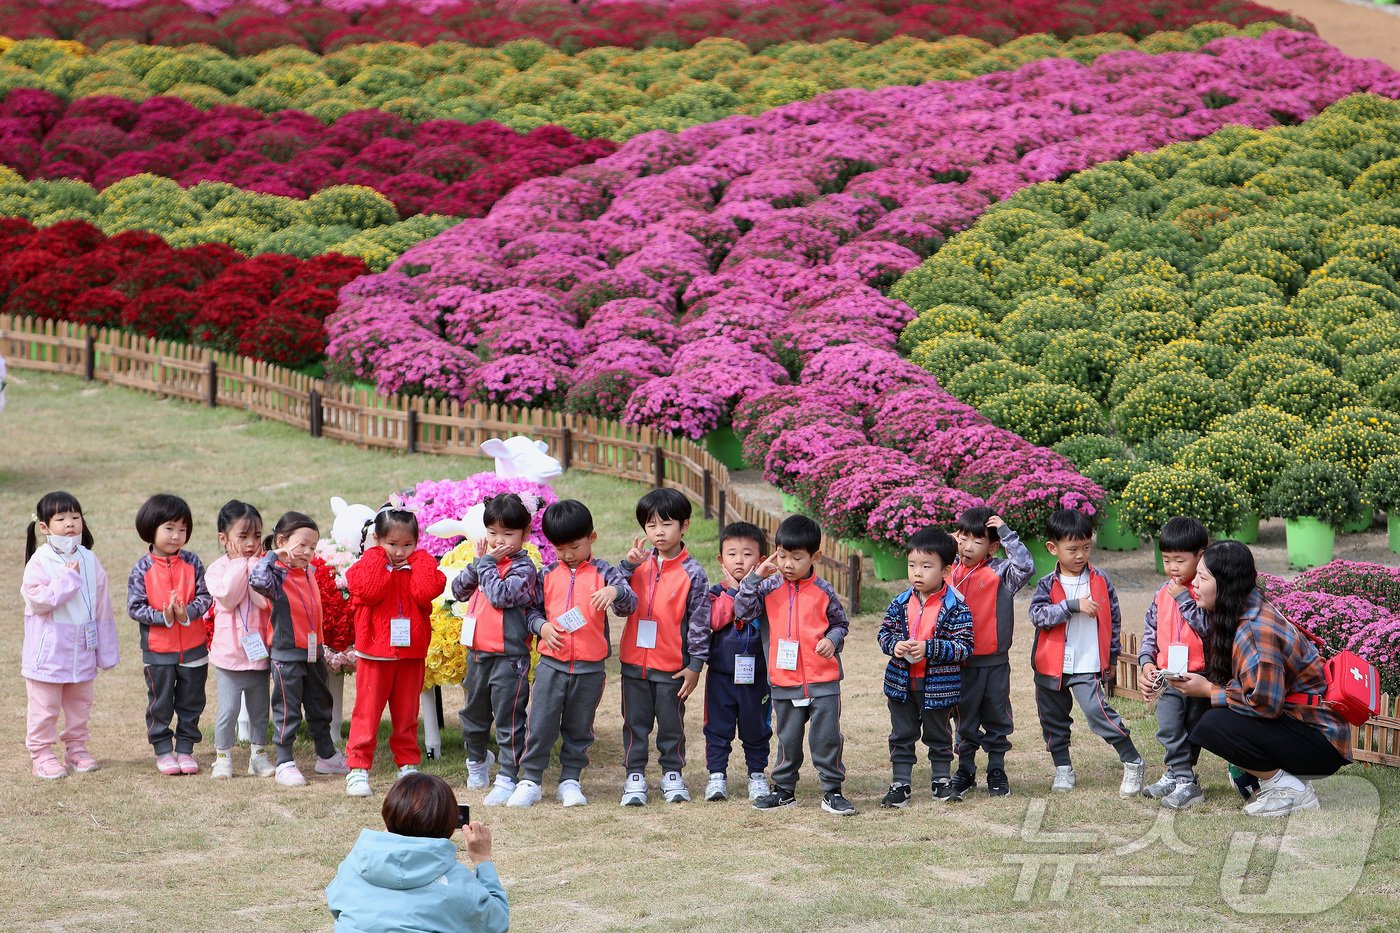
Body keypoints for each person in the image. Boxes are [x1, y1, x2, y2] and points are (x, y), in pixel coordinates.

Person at [1173, 541, 1351, 816]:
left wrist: (1209, 690)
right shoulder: (1246, 608)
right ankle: (1272, 780)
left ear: (1226, 584)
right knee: (1216, 712)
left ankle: (1289, 790)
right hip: (1305, 728)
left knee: (1212, 723)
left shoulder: (1255, 632)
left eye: (1202, 577)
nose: (1193, 583)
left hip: (1321, 743)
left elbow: (1265, 705)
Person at [511, 500, 636, 808]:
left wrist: (615, 591)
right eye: (560, 548)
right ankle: (531, 780)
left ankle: (570, 780)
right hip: (552, 664)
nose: (567, 555)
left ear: (591, 538)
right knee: (539, 722)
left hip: (590, 668)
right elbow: (531, 611)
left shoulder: (605, 572)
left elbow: (629, 602)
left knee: (579, 727)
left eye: (574, 547)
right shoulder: (546, 574)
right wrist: (541, 627)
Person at [735, 515, 854, 815]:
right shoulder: (767, 587)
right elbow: (742, 610)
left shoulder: (824, 591)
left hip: (823, 681)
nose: (788, 564)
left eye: (796, 558)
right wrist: (753, 578)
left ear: (815, 556)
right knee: (787, 738)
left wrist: (833, 639)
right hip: (783, 680)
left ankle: (832, 791)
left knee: (826, 738)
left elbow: (840, 623)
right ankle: (784, 790)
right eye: (782, 555)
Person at [1028, 509, 1144, 796]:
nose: (1080, 555)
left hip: (1087, 664)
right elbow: (1037, 616)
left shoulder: (1101, 580)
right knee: (1053, 720)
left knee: (1098, 713)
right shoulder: (1046, 583)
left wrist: (1113, 658)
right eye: (1072, 549)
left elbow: (1113, 620)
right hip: (1050, 665)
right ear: (1053, 548)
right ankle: (1063, 768)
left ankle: (1132, 760)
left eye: (1086, 547)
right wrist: (1071, 606)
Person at [343, 505, 447, 797]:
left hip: (411, 654)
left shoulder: (420, 564)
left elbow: (426, 592)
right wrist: (379, 557)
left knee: (406, 714)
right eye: (392, 544)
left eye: (407, 545)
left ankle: (407, 764)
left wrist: (419, 562)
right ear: (377, 539)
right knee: (367, 712)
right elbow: (371, 590)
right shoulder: (367, 564)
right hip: (375, 654)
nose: (400, 552)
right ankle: (358, 767)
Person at [617, 488, 710, 805]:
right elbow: (618, 606)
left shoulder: (693, 573)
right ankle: (635, 776)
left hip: (672, 667)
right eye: (651, 524)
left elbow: (700, 622)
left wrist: (695, 665)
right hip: (633, 663)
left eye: (666, 524)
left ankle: (673, 773)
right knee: (634, 723)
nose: (658, 531)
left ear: (684, 526)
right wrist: (627, 569)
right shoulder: (637, 565)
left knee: (672, 724)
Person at [326, 772, 509, 933]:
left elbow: (337, 908)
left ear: (388, 813)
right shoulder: (455, 884)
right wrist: (482, 859)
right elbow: (497, 923)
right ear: (448, 825)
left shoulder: (353, 865)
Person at [22, 492, 118, 779]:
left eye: (75, 517)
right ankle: (41, 754)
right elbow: (38, 601)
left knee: (80, 704)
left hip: (83, 648)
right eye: (61, 519)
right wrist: (67, 579)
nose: (70, 524)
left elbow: (102, 606)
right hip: (49, 651)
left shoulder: (89, 559)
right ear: (44, 527)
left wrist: (106, 651)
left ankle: (76, 748)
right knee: (45, 706)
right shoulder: (40, 561)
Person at [451, 493, 539, 806]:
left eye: (508, 534)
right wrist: (477, 565)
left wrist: (486, 564)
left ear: (525, 535)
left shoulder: (524, 568)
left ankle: (508, 774)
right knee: (473, 711)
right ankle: (477, 761)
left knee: (508, 716)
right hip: (477, 653)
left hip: (509, 658)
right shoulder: (485, 562)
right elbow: (458, 591)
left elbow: (501, 596)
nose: (499, 540)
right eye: (492, 533)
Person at [250, 511, 349, 787]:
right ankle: (284, 761)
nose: (308, 551)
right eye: (302, 544)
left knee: (320, 703)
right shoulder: (275, 574)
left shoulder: (308, 571)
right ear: (282, 540)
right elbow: (256, 581)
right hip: (286, 656)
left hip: (313, 652)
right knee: (288, 708)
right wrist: (273, 556)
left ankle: (326, 754)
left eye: (313, 547)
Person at [878, 527, 974, 808]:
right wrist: (894, 645)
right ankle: (900, 783)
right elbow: (884, 633)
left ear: (945, 571)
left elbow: (964, 647)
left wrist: (929, 649)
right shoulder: (899, 603)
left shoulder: (957, 607)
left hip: (939, 688)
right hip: (902, 684)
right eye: (912, 565)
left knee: (939, 734)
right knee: (901, 733)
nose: (917, 572)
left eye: (926, 566)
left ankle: (941, 781)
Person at [949, 507, 1034, 799]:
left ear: (992, 546)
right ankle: (965, 769)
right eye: (962, 539)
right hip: (959, 662)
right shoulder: (949, 571)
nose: (967, 547)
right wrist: (950, 545)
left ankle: (996, 768)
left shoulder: (1001, 572)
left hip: (995, 663)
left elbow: (1026, 567)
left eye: (976, 541)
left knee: (997, 716)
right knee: (964, 717)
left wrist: (1008, 534)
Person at [128, 493, 213, 776]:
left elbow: (206, 596)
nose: (177, 536)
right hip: (158, 651)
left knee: (192, 702)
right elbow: (135, 607)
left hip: (194, 649)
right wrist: (162, 617)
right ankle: (163, 750)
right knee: (160, 703)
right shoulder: (142, 568)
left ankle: (186, 749)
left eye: (182, 529)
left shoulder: (193, 561)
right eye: (169, 528)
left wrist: (186, 612)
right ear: (150, 529)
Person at [1137, 517, 1211, 810]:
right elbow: (1150, 632)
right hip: (1169, 675)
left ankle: (1182, 778)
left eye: (1180, 560)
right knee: (1168, 728)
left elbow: (1207, 628)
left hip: (1197, 676)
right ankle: (1181, 777)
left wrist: (1184, 599)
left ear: (1200, 556)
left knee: (1192, 731)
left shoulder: (1203, 592)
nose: (1173, 568)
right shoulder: (1161, 593)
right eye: (1167, 560)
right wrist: (1145, 662)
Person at [703, 521, 773, 803]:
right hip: (721, 675)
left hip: (757, 676)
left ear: (762, 559)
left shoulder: (767, 592)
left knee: (756, 726)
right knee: (717, 727)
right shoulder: (715, 592)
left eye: (747, 554)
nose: (739, 560)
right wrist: (732, 590)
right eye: (732, 554)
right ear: (721, 559)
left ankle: (757, 774)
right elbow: (716, 619)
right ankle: (716, 775)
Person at [205, 500, 275, 780]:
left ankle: (258, 756)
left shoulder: (262, 564)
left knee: (260, 710)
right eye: (242, 537)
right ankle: (222, 756)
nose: (251, 543)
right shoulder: (217, 569)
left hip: (258, 652)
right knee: (229, 710)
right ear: (224, 539)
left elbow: (263, 600)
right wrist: (239, 566)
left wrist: (255, 567)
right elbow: (228, 597)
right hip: (229, 654)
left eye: (256, 536)